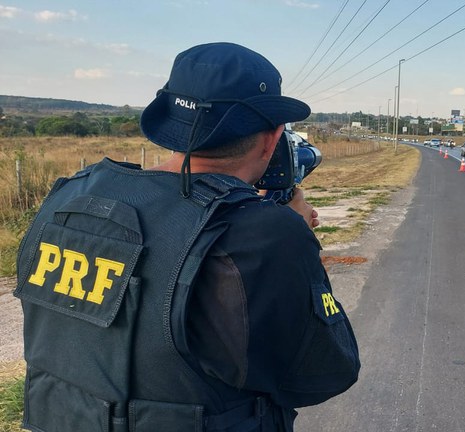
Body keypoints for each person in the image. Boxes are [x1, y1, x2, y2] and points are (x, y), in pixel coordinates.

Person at [14, 42, 360, 432]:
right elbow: (325, 372)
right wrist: (298, 236)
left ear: (170, 126)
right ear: (271, 137)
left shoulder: (71, 195)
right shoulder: (264, 234)